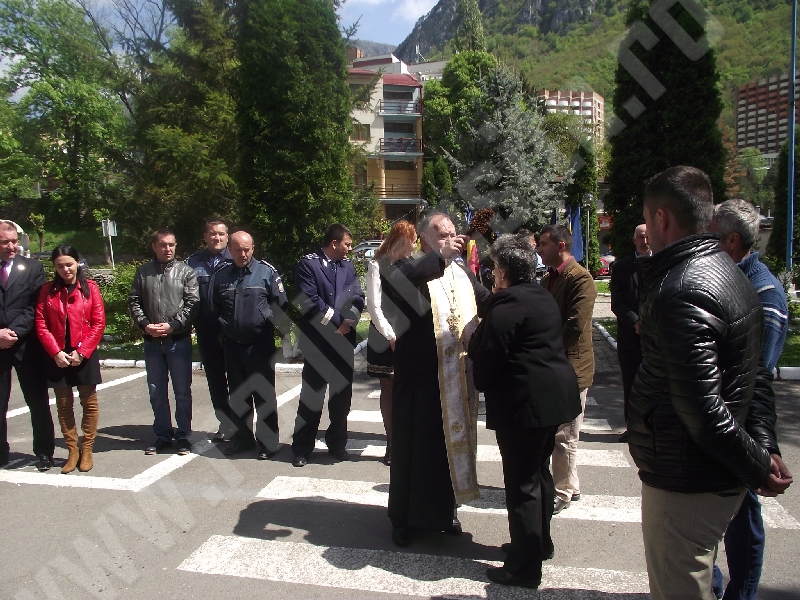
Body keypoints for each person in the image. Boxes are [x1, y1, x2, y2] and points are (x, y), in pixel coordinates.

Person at [629, 166, 792, 600]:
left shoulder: (682, 288)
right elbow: (755, 374)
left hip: (687, 479)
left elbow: (702, 410)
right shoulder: (730, 272)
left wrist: (758, 464)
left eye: (646, 219)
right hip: (706, 473)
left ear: (661, 218)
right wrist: (764, 447)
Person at [468, 233, 581, 589]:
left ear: (503, 271)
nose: (492, 274)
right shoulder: (539, 295)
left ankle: (524, 568)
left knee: (522, 485)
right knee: (539, 475)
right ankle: (538, 544)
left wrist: (478, 371)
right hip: (554, 400)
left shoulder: (509, 304)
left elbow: (489, 354)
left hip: (526, 406)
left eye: (494, 268)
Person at [385, 212, 491, 547]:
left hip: (453, 379)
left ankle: (445, 513)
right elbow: (400, 284)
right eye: (441, 234)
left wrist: (518, 297)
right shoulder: (407, 266)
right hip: (418, 380)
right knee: (412, 451)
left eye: (452, 234)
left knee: (445, 450)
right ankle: (403, 519)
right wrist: (441, 257)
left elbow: (486, 301)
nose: (449, 239)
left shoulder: (460, 272)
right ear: (424, 239)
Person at [710, 199, 790, 600]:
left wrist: (760, 443)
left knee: (743, 518)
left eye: (711, 234)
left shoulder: (764, 292)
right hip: (717, 419)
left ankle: (741, 593)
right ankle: (710, 585)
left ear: (731, 240)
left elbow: (759, 374)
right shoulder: (725, 280)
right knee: (710, 515)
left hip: (739, 425)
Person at [292, 224, 365, 467]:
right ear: (334, 243)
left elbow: (358, 297)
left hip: (343, 342)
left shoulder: (348, 266)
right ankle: (302, 447)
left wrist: (349, 320)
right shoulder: (309, 265)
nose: (350, 249)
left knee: (341, 399)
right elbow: (309, 301)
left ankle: (337, 444)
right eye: (347, 244)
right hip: (318, 343)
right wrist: (337, 323)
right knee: (312, 397)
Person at [213, 231, 288, 459]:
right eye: (237, 249)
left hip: (260, 345)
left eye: (246, 249)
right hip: (232, 345)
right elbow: (214, 306)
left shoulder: (266, 272)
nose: (242, 253)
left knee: (264, 396)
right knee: (238, 395)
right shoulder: (221, 275)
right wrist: (224, 325)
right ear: (230, 250)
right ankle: (243, 440)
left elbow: (280, 305)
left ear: (253, 248)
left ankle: (268, 443)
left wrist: (267, 324)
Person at [538, 224, 597, 514]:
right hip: (554, 365)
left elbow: (574, 325)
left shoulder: (580, 278)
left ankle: (561, 491)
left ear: (560, 245)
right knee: (561, 431)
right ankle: (571, 484)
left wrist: (546, 349)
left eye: (544, 244)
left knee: (565, 433)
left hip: (572, 367)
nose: (539, 249)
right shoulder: (548, 278)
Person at [129, 228, 199, 456]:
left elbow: (192, 304)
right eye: (162, 244)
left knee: (182, 391)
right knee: (156, 391)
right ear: (154, 246)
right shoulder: (143, 273)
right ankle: (163, 435)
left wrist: (173, 325)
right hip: (152, 343)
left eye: (171, 244)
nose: (167, 249)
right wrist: (145, 324)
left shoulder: (186, 272)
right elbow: (134, 301)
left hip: (178, 341)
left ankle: (183, 436)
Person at [35, 246, 105, 473]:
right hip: (58, 355)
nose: (65, 269)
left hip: (84, 352)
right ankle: (72, 450)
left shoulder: (90, 288)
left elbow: (98, 323)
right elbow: (41, 323)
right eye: (60, 266)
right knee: (64, 404)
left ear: (77, 263)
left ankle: (87, 449)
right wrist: (55, 352)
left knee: (89, 402)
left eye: (69, 264)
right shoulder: (47, 290)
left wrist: (82, 351)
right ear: (54, 267)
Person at [0, 220, 55, 471]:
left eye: (14, 241)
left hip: (26, 345)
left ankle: (44, 452)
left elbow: (36, 306)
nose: (11, 246)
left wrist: (13, 332)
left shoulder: (32, 268)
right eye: (5, 242)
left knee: (37, 401)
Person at [366, 221, 417, 466]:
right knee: (388, 389)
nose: (415, 245)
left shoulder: (414, 264)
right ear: (402, 241)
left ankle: (409, 441)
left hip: (410, 332)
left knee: (409, 389)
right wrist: (390, 335)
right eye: (413, 240)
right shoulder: (377, 264)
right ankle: (392, 444)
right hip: (385, 332)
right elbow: (373, 305)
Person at [186, 218, 234, 442]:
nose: (217, 237)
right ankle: (225, 424)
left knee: (237, 380)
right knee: (215, 381)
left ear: (227, 236)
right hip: (206, 330)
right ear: (205, 236)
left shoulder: (236, 258)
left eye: (221, 234)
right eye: (213, 233)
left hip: (232, 332)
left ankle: (241, 426)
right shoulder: (192, 263)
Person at [610, 223, 650, 442]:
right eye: (641, 237)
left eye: (648, 237)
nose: (645, 241)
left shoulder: (662, 262)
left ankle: (653, 429)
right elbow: (617, 302)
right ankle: (633, 429)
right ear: (634, 240)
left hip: (656, 337)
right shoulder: (622, 267)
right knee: (632, 385)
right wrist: (635, 322)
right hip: (630, 338)